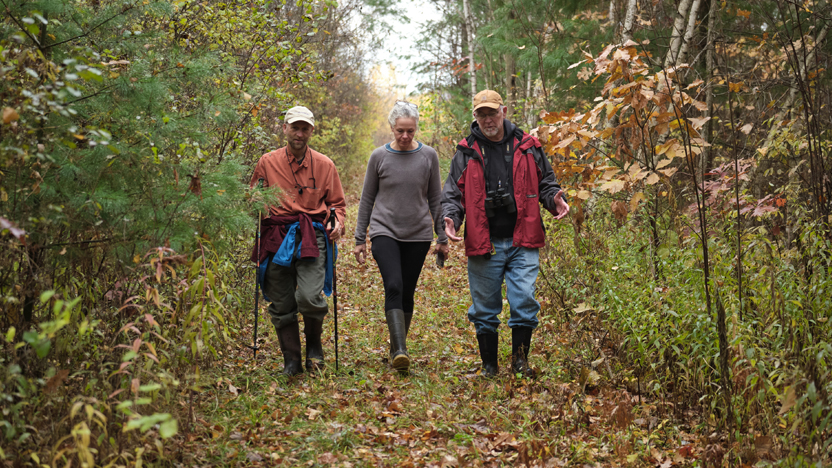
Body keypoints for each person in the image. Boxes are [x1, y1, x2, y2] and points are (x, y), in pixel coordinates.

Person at [441, 90, 569, 378]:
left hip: (523, 238)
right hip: (484, 242)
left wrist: (555, 199)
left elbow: (547, 182)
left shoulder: (528, 146)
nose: (488, 119)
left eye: (492, 113)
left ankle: (520, 364)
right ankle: (489, 367)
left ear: (504, 111)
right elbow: (452, 194)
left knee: (524, 300)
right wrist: (450, 219)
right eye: (481, 114)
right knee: (484, 309)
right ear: (475, 116)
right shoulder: (466, 152)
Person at [353, 101, 449, 372]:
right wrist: (360, 238)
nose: (405, 136)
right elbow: (367, 199)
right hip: (385, 231)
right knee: (393, 285)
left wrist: (442, 237)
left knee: (407, 291)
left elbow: (435, 198)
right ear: (391, 129)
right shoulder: (379, 157)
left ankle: (397, 347)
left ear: (416, 128)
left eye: (410, 130)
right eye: (400, 131)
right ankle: (401, 350)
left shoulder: (428, 156)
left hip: (418, 234)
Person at [250, 106, 346, 376]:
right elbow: (253, 196)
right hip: (276, 234)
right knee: (280, 301)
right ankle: (291, 360)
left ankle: (314, 346)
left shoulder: (325, 165)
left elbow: (337, 205)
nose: (299, 134)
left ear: (312, 131)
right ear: (284, 129)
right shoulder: (267, 162)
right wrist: (256, 204)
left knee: (308, 296)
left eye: (305, 128)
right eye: (295, 127)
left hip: (312, 235)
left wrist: (338, 222)